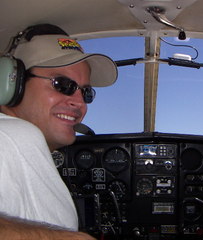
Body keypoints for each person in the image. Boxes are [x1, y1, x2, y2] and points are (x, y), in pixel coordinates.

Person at [0, 24, 117, 239]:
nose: (80, 103)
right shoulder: (11, 135)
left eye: (86, 92)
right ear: (12, 83)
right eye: (62, 84)